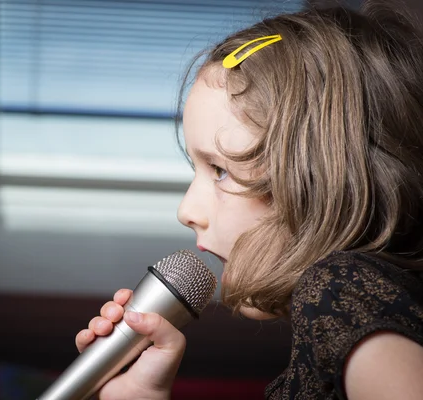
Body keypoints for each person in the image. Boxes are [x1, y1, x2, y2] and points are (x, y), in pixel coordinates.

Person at [75, 2, 423, 399]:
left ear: (323, 182)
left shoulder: (339, 290)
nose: (186, 211)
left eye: (220, 170)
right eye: (197, 169)